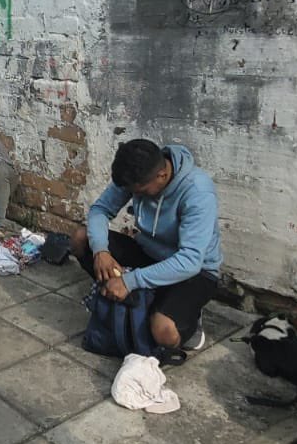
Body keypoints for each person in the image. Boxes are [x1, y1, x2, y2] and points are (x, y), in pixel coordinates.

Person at [71, 138, 222, 352]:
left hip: (195, 272)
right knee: (81, 238)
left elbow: (190, 261)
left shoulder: (197, 192)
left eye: (139, 191)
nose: (135, 195)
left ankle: (188, 322)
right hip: (149, 253)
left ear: (162, 175)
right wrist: (100, 251)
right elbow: (100, 210)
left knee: (162, 331)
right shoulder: (135, 173)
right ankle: (142, 304)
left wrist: (130, 281)